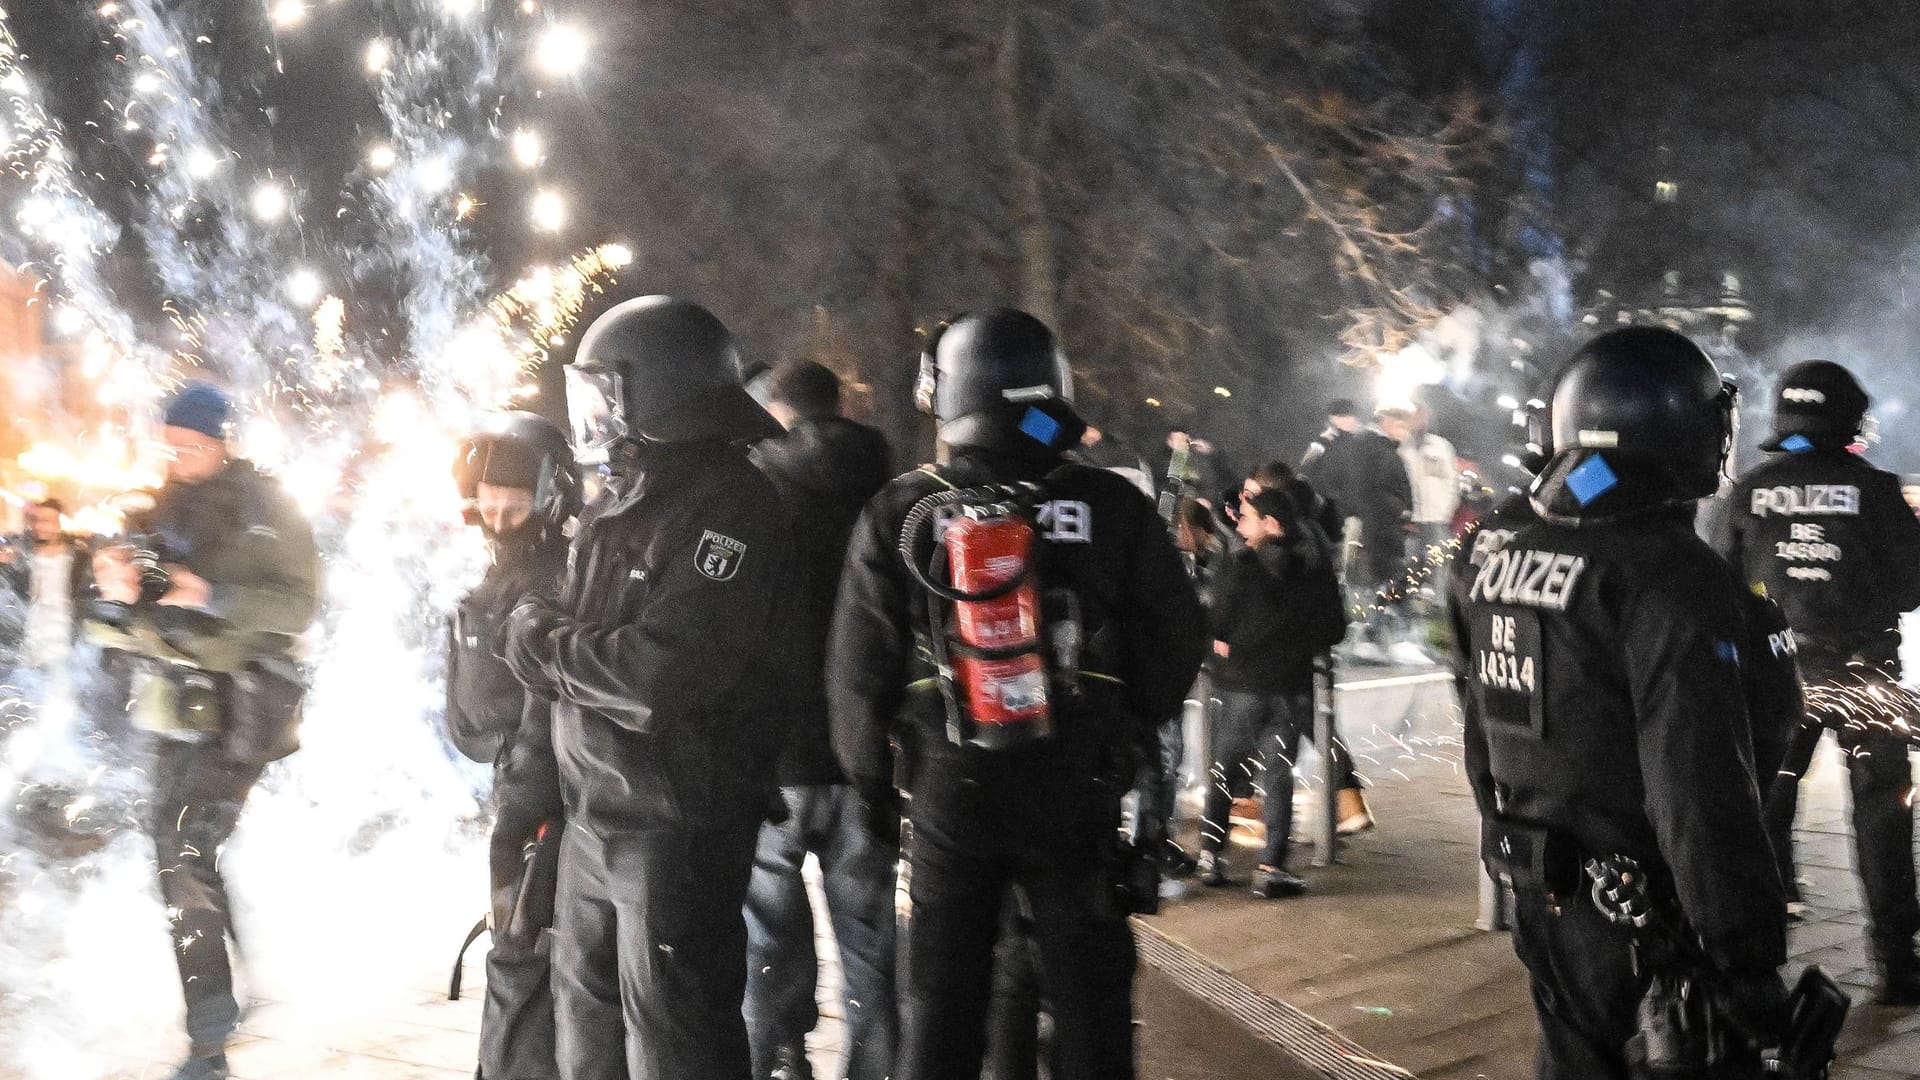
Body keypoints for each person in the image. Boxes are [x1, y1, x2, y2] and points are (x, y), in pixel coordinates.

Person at [829, 309, 1205, 1080]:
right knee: (1089, 994)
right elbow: (1177, 639)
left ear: (949, 395)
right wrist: (1126, 727)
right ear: (1049, 389)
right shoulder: (1111, 504)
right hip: (1075, 783)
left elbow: (857, 668)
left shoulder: (902, 510)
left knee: (942, 997)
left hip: (949, 790)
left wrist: (872, 785)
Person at [1449, 327, 1788, 1078]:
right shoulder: (1670, 574)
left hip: (1544, 892)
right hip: (1651, 918)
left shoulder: (1505, 555)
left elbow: (1485, 731)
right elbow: (1698, 787)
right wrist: (1745, 959)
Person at [499, 295, 792, 1080]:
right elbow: (552, 617)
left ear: (656, 396)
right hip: (593, 817)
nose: (592, 415)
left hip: (675, 827)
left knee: (675, 1037)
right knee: (585, 1033)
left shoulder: (731, 504)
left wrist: (543, 644)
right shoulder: (616, 503)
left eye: (604, 393)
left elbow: (660, 674)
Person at [88, 381, 321, 1080]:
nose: (178, 456)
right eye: (170, 444)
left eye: (191, 445)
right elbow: (123, 614)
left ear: (223, 441)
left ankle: (209, 1043)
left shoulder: (269, 508)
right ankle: (234, 994)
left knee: (181, 849)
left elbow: (301, 607)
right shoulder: (157, 505)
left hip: (246, 708)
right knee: (187, 854)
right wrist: (117, 590)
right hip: (175, 706)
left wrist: (213, 595)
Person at [1708, 359, 1920, 1004]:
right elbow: (1913, 588)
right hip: (1867, 675)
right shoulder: (1878, 492)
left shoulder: (1744, 494)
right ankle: (1897, 962)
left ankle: (1762, 950)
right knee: (1883, 814)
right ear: (1850, 419)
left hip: (1777, 674)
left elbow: (1719, 586)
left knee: (1768, 804)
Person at [741, 359, 897, 1080]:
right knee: (870, 943)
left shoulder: (755, 488)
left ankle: (783, 1057)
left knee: (767, 934)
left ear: (780, 409)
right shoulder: (889, 491)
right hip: (865, 752)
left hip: (776, 754)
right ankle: (878, 1065)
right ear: (839, 405)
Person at [447, 412, 580, 1079]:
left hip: (543, 799)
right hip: (520, 785)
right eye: (489, 500)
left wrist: (522, 818)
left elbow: (543, 712)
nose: (499, 513)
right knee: (524, 953)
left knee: (525, 951)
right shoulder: (506, 570)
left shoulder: (551, 578)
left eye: (515, 502)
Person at [1197, 487, 1350, 897]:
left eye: (1247, 516)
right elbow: (1334, 627)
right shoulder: (1313, 569)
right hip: (1288, 685)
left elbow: (1217, 621)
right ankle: (1271, 867)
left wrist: (1227, 641)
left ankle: (1212, 854)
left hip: (1239, 685)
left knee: (1224, 772)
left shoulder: (1240, 564)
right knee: (1277, 774)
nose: (1239, 522)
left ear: (1271, 523)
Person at [1241, 464, 1373, 835]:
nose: (1244, 500)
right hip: (1308, 643)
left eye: (1252, 495)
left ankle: (1255, 811)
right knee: (1308, 723)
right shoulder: (1308, 528)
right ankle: (1348, 802)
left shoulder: (1293, 538)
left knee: (1281, 725)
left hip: (1293, 648)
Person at [1301, 398, 1413, 663]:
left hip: (1370, 522)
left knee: (1373, 579)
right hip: (1357, 523)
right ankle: (1362, 635)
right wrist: (1356, 515)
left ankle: (1373, 635)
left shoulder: (1368, 445)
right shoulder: (1345, 445)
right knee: (1360, 579)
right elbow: (1327, 481)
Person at [0, 497, 93, 678]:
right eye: (37, 520)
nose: (40, 526)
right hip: (23, 651)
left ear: (59, 523)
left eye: (47, 521)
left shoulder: (80, 559)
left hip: (65, 654)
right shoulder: (20, 558)